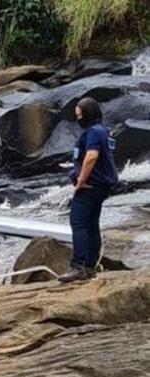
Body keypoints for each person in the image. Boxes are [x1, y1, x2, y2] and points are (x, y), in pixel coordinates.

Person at [59, 97, 119, 282]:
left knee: (78, 222)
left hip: (90, 185)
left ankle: (79, 266)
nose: (78, 118)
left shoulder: (93, 132)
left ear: (88, 113)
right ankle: (90, 265)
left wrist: (81, 181)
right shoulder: (104, 131)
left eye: (80, 115)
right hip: (103, 185)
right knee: (92, 224)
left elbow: (92, 156)